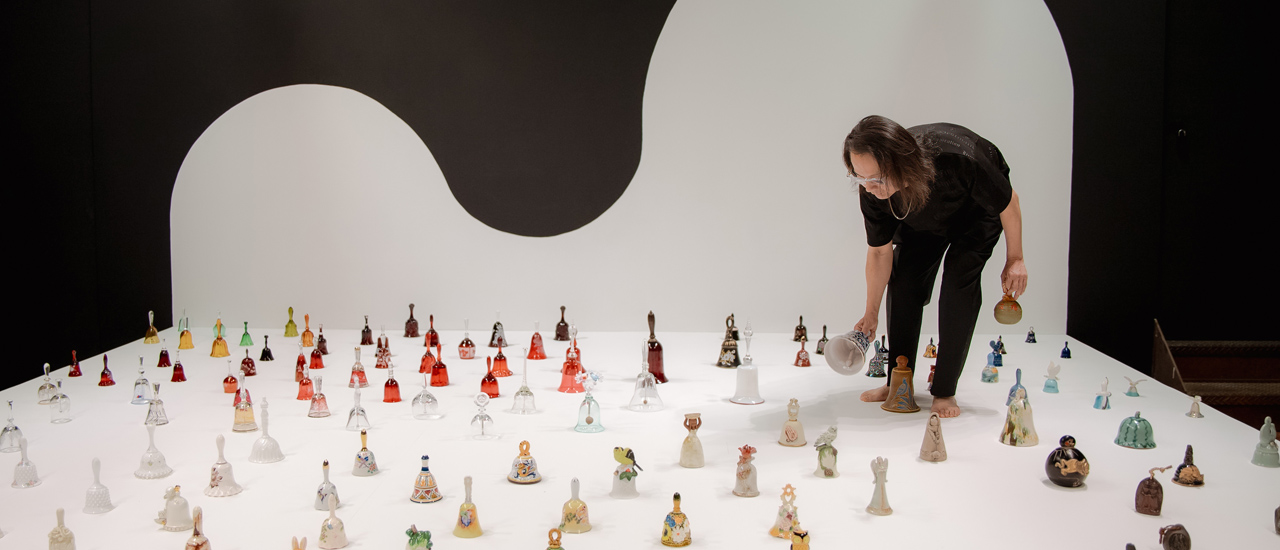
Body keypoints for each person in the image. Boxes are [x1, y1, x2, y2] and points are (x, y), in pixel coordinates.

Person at [845, 115, 1027, 418]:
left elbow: (1010, 203)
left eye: (876, 179)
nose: (869, 188)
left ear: (901, 163)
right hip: (919, 219)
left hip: (976, 216)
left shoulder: (960, 159)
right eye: (859, 178)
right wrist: (871, 312)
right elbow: (879, 253)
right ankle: (897, 384)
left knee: (957, 286)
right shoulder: (872, 190)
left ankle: (944, 390)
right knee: (904, 286)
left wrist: (1015, 259)